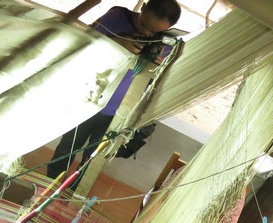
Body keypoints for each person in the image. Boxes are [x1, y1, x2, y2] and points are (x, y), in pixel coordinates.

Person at [45, 0, 181, 180]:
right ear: (143, 7)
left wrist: (158, 66)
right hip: (90, 99)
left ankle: (69, 194)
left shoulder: (166, 44)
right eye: (144, 25)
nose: (147, 33)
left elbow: (159, 83)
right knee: (67, 148)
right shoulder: (117, 17)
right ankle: (48, 184)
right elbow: (84, 42)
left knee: (92, 158)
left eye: (155, 32)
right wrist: (117, 42)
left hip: (118, 113)